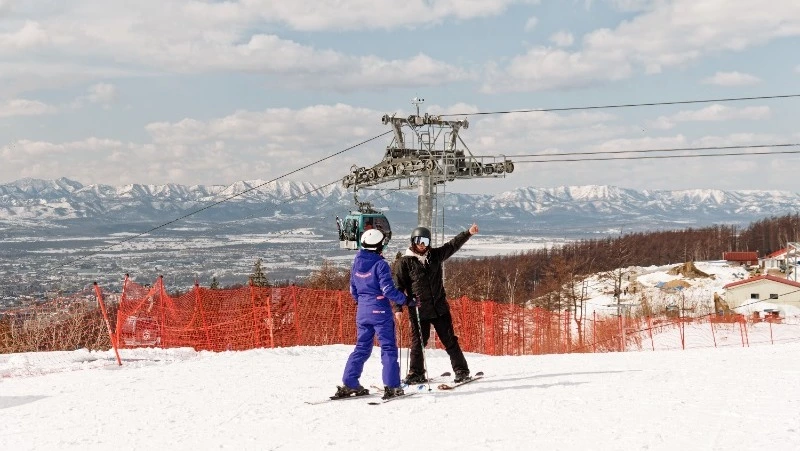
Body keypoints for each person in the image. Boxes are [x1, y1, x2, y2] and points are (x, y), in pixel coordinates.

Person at [393, 223, 479, 384]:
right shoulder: (404, 263)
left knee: (449, 340)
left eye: (425, 241)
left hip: (439, 308)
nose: (422, 244)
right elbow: (398, 287)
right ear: (413, 241)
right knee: (418, 342)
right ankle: (416, 373)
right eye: (419, 240)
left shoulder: (435, 256)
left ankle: (461, 370)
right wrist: (398, 308)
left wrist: (468, 233)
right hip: (418, 310)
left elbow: (452, 245)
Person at [336, 228, 408, 400]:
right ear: (378, 245)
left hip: (362, 311)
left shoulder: (357, 262)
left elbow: (353, 289)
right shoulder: (380, 264)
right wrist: (406, 300)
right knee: (388, 348)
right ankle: (392, 386)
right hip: (380, 311)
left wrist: (363, 302)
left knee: (362, 347)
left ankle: (350, 381)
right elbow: (388, 290)